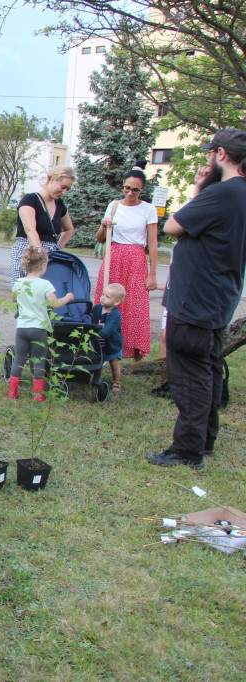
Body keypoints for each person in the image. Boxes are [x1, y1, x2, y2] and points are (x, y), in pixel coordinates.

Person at [148, 128, 246, 470]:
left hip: (196, 299)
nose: (207, 160)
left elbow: (174, 225)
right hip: (218, 298)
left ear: (221, 154)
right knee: (208, 368)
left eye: (209, 154)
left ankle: (187, 450)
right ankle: (205, 439)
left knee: (190, 374)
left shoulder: (223, 193)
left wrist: (201, 188)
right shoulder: (240, 193)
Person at [94, 168, 159, 360]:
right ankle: (102, 346)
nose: (130, 193)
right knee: (107, 299)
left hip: (136, 258)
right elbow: (100, 238)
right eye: (127, 188)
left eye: (135, 190)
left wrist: (153, 273)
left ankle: (134, 350)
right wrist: (104, 225)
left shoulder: (148, 209)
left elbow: (153, 242)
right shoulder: (114, 206)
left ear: (142, 190)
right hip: (114, 255)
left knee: (134, 303)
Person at [8, 247, 75, 402]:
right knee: (39, 360)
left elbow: (13, 299)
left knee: (19, 358)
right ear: (44, 265)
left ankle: (13, 393)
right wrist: (67, 297)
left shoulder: (19, 283)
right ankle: (38, 396)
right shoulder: (45, 284)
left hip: (22, 328)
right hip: (39, 329)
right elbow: (56, 304)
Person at [10, 165, 76, 284]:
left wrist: (57, 249)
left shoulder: (59, 205)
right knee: (25, 294)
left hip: (48, 256)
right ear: (52, 180)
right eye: (63, 187)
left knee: (47, 296)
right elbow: (30, 230)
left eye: (68, 189)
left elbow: (69, 229)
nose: (64, 192)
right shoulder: (30, 200)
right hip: (29, 252)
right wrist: (40, 255)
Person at [91, 283, 126, 394]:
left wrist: (93, 335)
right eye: (103, 294)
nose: (103, 298)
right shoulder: (96, 309)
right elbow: (90, 319)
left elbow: (108, 331)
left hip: (112, 344)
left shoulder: (115, 315)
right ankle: (98, 379)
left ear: (116, 302)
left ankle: (116, 381)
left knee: (114, 363)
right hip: (98, 344)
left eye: (108, 297)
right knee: (99, 362)